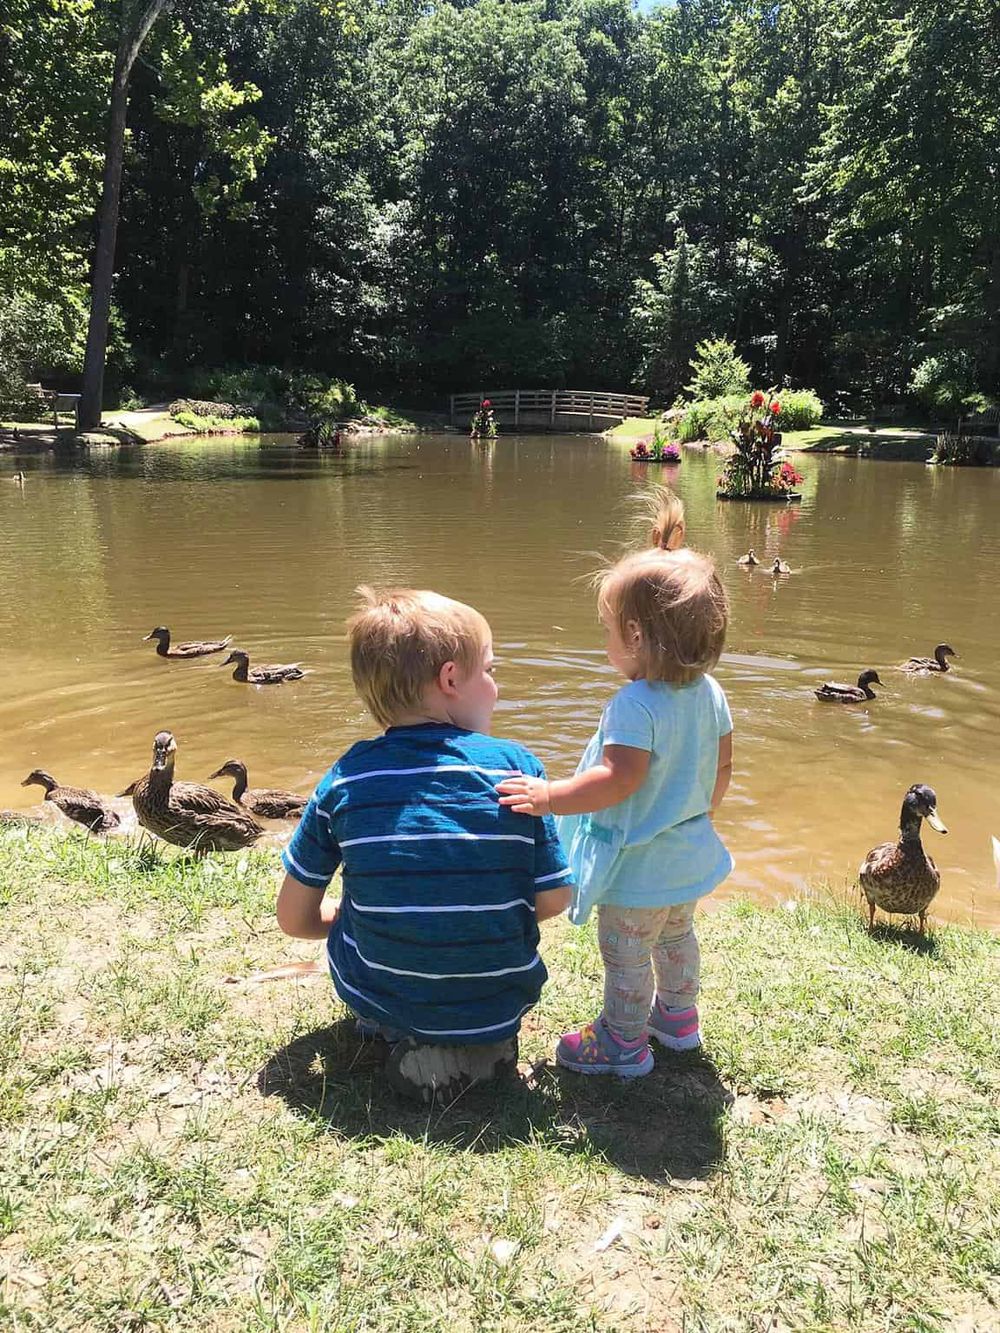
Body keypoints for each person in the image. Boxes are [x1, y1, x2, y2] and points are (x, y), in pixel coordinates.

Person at [276, 586, 572, 1100]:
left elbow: (294, 919)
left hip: (383, 994)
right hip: (498, 1000)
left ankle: (398, 1029)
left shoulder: (345, 780)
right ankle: (477, 1045)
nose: (496, 686)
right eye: (491, 671)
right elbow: (555, 898)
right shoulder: (519, 770)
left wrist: (356, 917)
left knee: (360, 927)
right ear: (452, 679)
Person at [497, 549, 733, 1078]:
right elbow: (723, 765)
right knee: (677, 937)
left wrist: (549, 795)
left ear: (634, 634)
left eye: (606, 629)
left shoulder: (635, 705)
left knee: (626, 952)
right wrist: (700, 814)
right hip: (687, 854)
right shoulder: (710, 693)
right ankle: (678, 1019)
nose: (604, 641)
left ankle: (623, 1044)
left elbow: (617, 779)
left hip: (639, 865)